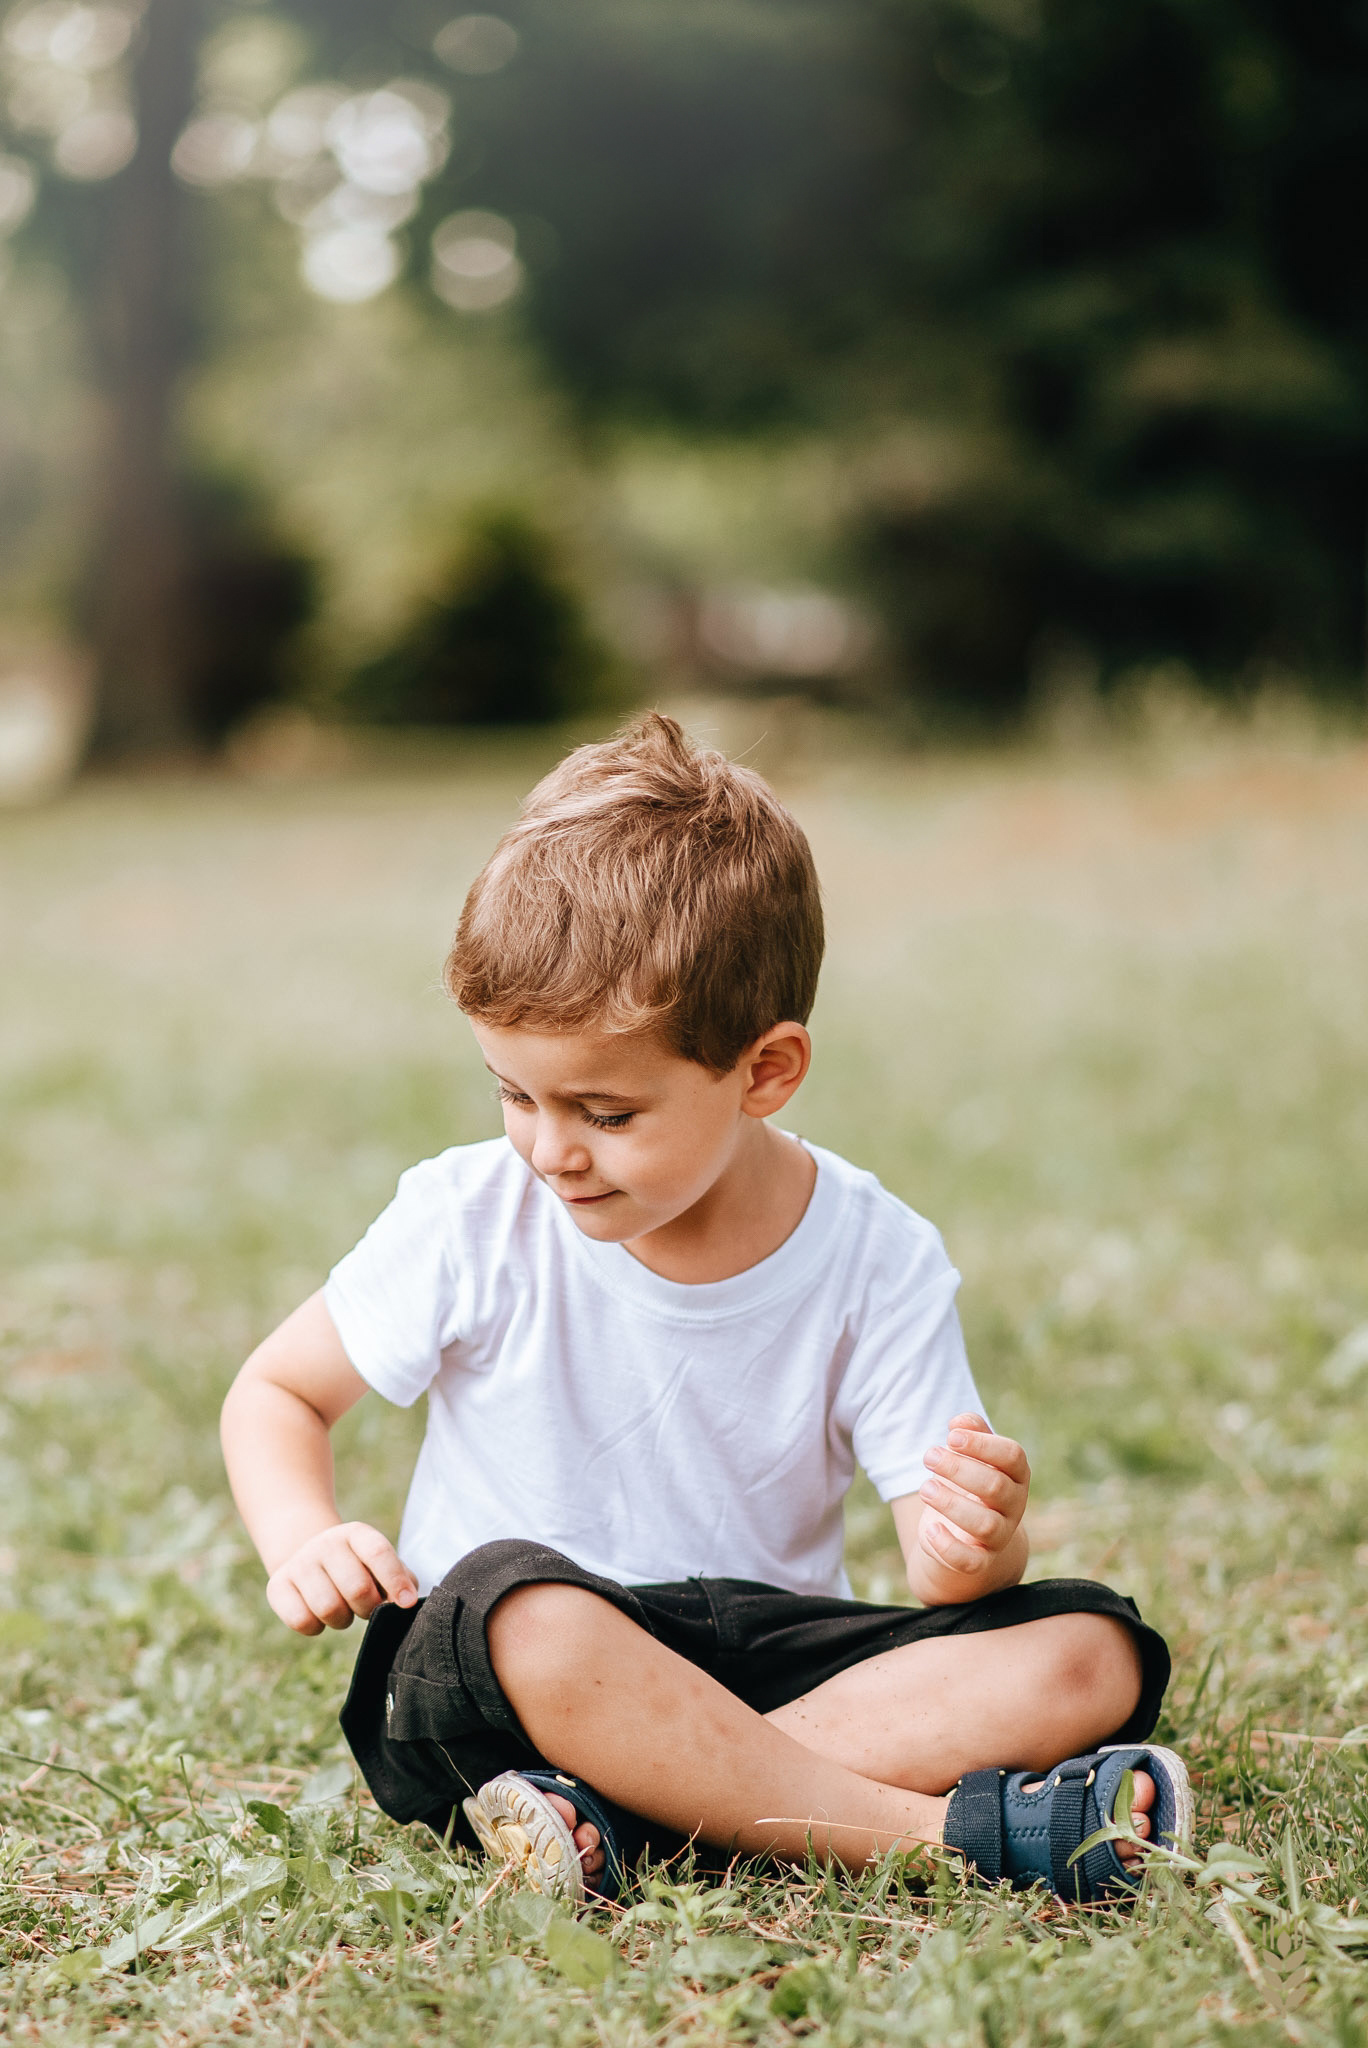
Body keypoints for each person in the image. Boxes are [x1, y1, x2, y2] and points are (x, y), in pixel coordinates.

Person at [220, 713, 1191, 1906]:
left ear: (766, 1070)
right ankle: (940, 1833)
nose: (548, 1148)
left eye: (606, 1112)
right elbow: (278, 1390)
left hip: (762, 1660)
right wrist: (302, 1534)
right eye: (514, 1093)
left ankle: (626, 1811)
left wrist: (981, 1546)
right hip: (512, 1666)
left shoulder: (874, 1253)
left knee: (1088, 1647)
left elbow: (950, 1578)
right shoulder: (471, 1215)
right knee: (524, 1607)